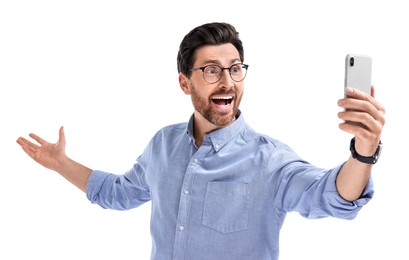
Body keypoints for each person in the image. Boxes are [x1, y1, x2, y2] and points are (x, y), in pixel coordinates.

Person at [16, 22, 385, 260]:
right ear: (184, 82)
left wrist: (363, 151)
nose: (227, 81)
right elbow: (118, 193)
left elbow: (334, 196)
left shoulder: (270, 161)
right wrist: (59, 162)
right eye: (211, 70)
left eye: (235, 69)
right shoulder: (162, 145)